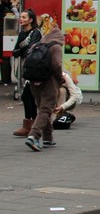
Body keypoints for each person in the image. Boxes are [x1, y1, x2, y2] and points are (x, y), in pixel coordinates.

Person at [24, 20, 65, 151]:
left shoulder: (36, 45)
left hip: (33, 82)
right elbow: (57, 65)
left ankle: (48, 139)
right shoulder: (56, 47)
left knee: (42, 109)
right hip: (49, 82)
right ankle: (33, 136)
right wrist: (60, 80)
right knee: (46, 109)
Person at [11, 9, 42, 137]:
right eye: (21, 17)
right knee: (28, 96)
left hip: (33, 68)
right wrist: (23, 49)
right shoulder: (22, 34)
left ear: (31, 20)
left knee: (27, 96)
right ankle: (32, 125)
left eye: (24, 17)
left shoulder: (35, 33)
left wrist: (22, 49)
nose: (21, 19)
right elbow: (15, 52)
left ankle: (32, 126)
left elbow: (32, 48)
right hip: (25, 67)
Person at [51, 69, 83, 137]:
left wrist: (63, 106)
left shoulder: (64, 76)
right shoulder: (43, 77)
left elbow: (75, 96)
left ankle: (58, 118)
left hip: (71, 100)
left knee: (61, 90)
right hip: (53, 97)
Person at [0, 0, 14, 85]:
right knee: (5, 59)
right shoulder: (8, 11)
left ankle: (5, 79)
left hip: (3, 37)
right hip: (5, 37)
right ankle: (6, 79)